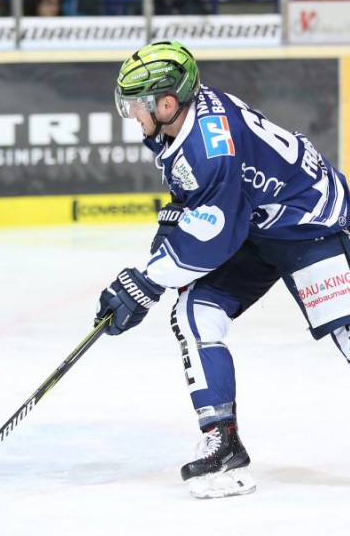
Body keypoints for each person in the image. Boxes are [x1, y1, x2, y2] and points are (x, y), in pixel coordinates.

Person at [95, 40, 350, 499]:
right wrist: (160, 257)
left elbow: (215, 235)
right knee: (196, 314)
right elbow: (195, 205)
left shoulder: (209, 145)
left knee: (347, 331)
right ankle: (223, 440)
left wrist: (148, 280)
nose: (131, 112)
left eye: (136, 103)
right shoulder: (181, 121)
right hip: (254, 222)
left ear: (166, 102)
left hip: (308, 221)